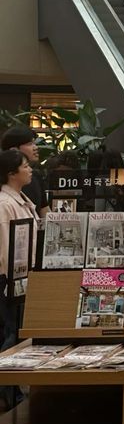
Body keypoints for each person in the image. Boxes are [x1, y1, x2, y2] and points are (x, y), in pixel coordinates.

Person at [0, 149, 41, 406]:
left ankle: (12, 393)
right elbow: (5, 247)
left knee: (15, 331)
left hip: (21, 277)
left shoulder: (20, 199)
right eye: (25, 166)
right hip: (7, 280)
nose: (30, 169)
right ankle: (7, 394)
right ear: (11, 172)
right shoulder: (5, 204)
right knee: (9, 333)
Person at [0, 126, 49, 218]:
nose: (35, 148)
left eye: (34, 143)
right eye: (30, 144)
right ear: (14, 150)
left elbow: (44, 210)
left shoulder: (35, 176)